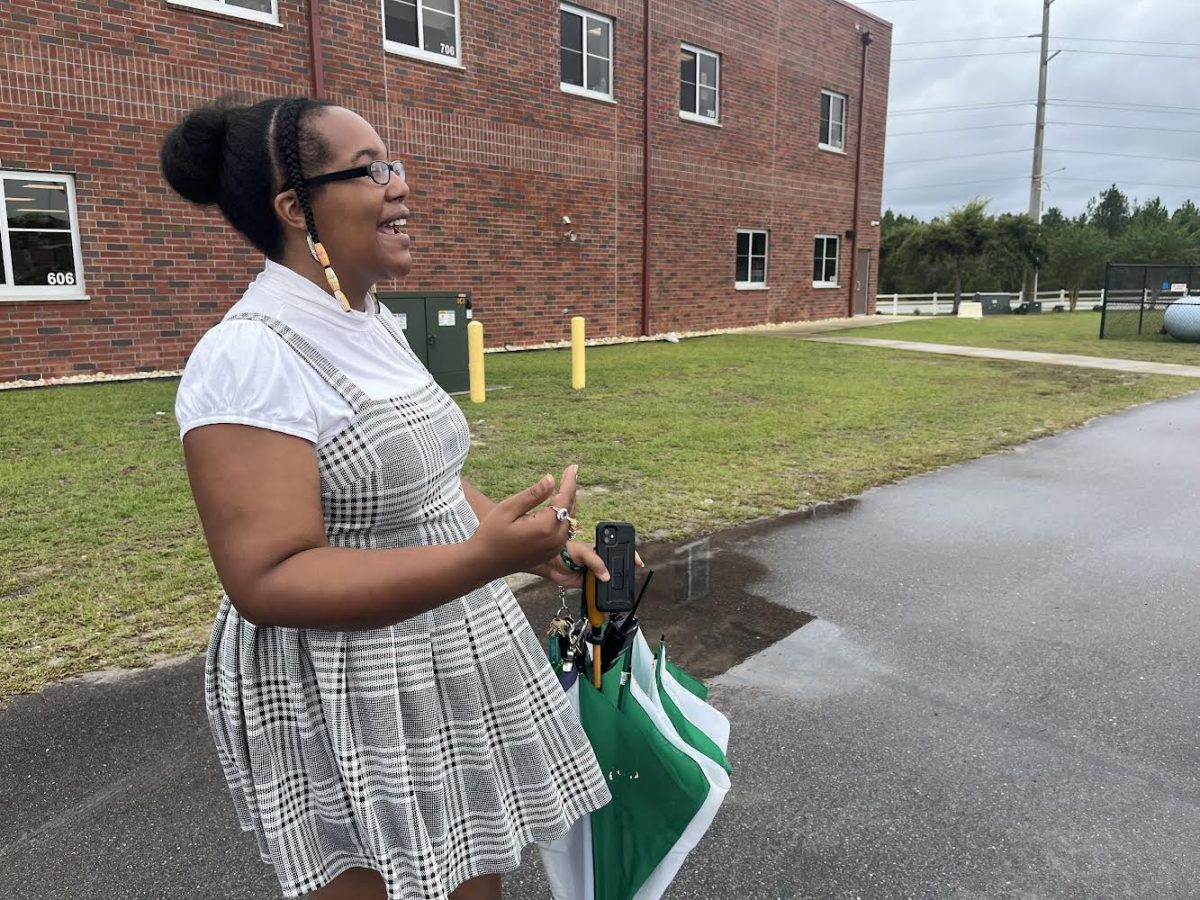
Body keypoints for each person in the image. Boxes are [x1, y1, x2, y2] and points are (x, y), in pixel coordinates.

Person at [162, 96, 612, 900]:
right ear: (297, 210)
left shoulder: (371, 319)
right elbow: (267, 580)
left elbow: (430, 481)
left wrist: (529, 541)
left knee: (474, 871)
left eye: (394, 162)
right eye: (372, 169)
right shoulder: (247, 357)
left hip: (448, 640)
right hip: (341, 676)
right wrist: (481, 559)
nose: (399, 185)